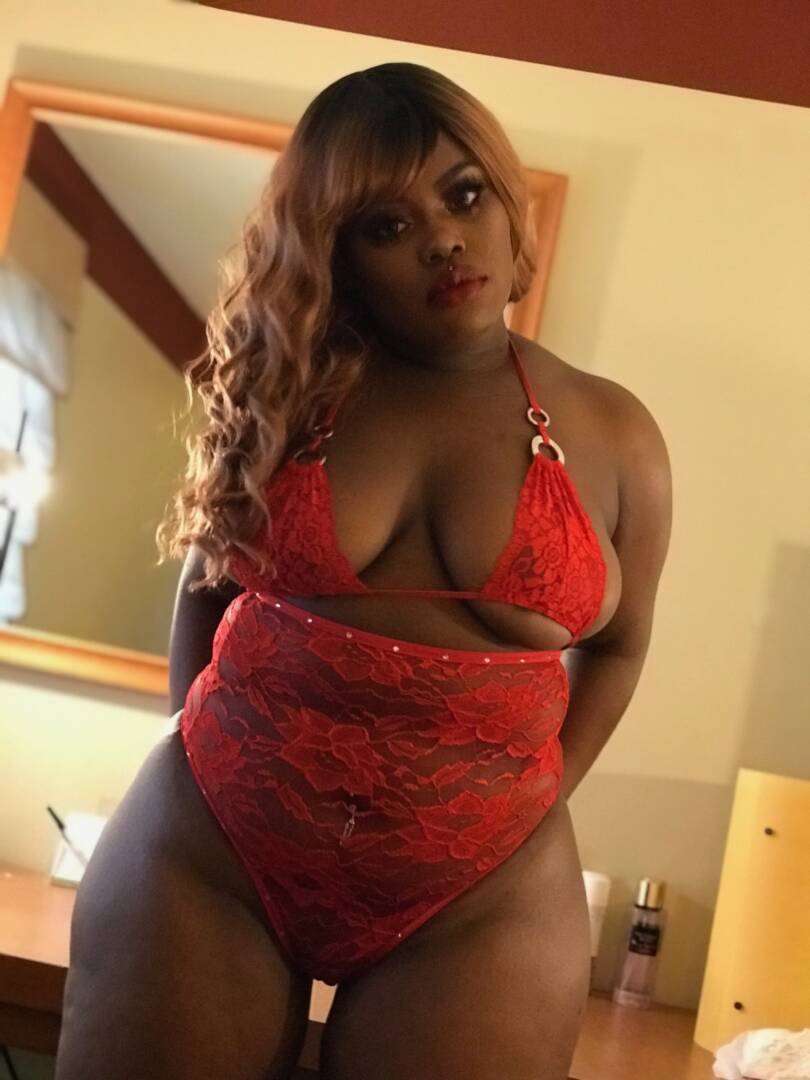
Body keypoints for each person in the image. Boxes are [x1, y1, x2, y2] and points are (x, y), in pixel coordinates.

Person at [55, 63, 672, 1080]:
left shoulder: (617, 432)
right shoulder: (293, 390)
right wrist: (203, 751)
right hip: (214, 851)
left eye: (463, 195)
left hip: (481, 893)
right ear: (337, 254)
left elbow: (623, 645)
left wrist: (529, 798)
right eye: (387, 225)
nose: (442, 239)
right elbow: (207, 583)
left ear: (504, 199)